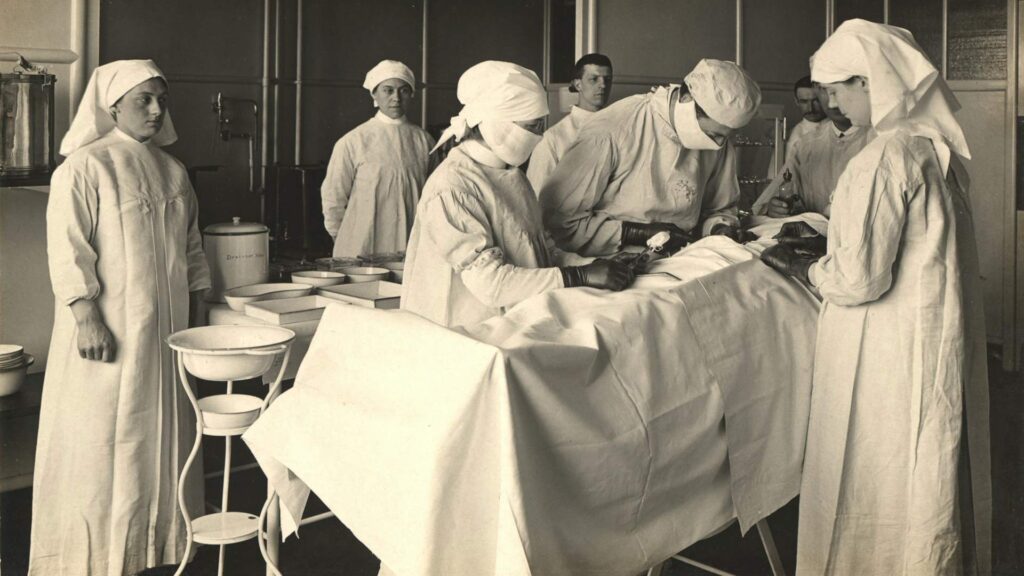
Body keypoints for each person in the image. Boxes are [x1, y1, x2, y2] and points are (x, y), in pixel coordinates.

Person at [760, 19, 991, 576]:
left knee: (871, 476)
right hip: (926, 338)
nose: (833, 103)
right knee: (924, 475)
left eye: (839, 90)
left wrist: (810, 267)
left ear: (872, 83)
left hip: (884, 353)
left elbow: (860, 280)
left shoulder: (882, 158)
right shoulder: (930, 149)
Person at [31, 60, 211, 575]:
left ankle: (157, 551)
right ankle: (96, 561)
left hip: (167, 331)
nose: (156, 110)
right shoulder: (86, 167)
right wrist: (84, 315)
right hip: (109, 333)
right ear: (111, 107)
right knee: (104, 440)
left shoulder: (172, 170)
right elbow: (67, 249)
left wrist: (198, 305)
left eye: (161, 99)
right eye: (143, 100)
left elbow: (191, 247)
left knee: (162, 438)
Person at [401, 61, 634, 329]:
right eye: (532, 127)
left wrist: (597, 265)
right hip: (463, 332)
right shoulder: (452, 188)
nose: (539, 136)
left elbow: (541, 252)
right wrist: (579, 276)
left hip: (514, 324)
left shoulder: (513, 175)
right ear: (497, 124)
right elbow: (491, 285)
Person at [539, 59, 761, 257]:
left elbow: (720, 207)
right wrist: (634, 233)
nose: (719, 144)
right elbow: (560, 223)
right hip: (614, 262)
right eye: (714, 135)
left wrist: (719, 228)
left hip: (683, 256)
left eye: (725, 137)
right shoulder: (615, 129)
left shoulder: (717, 141)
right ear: (686, 99)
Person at [321, 59, 435, 258]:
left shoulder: (424, 141)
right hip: (362, 241)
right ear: (374, 93)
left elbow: (434, 196)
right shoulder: (355, 141)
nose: (396, 98)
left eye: (404, 90)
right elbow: (334, 195)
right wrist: (341, 237)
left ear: (412, 94)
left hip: (412, 241)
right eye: (388, 90)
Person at [751, 82, 874, 218]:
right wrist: (774, 208)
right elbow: (772, 196)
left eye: (840, 89)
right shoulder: (806, 144)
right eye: (825, 89)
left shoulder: (879, 141)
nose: (833, 101)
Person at [526, 53, 613, 192]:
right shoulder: (553, 139)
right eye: (594, 79)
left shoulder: (619, 128)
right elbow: (536, 195)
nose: (602, 85)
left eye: (607, 79)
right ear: (578, 84)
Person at [786, 75, 827, 163]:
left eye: (816, 101)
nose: (810, 108)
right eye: (804, 102)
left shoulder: (841, 126)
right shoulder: (796, 139)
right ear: (796, 101)